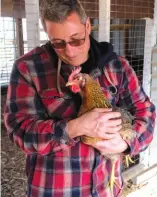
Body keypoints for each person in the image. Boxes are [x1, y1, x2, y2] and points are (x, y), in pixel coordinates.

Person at [4, 0, 156, 197]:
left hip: (106, 189)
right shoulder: (29, 69)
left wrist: (125, 143)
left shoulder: (117, 67)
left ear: (87, 26)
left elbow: (147, 113)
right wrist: (75, 128)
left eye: (76, 39)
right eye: (57, 43)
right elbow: (19, 132)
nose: (70, 51)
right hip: (55, 190)